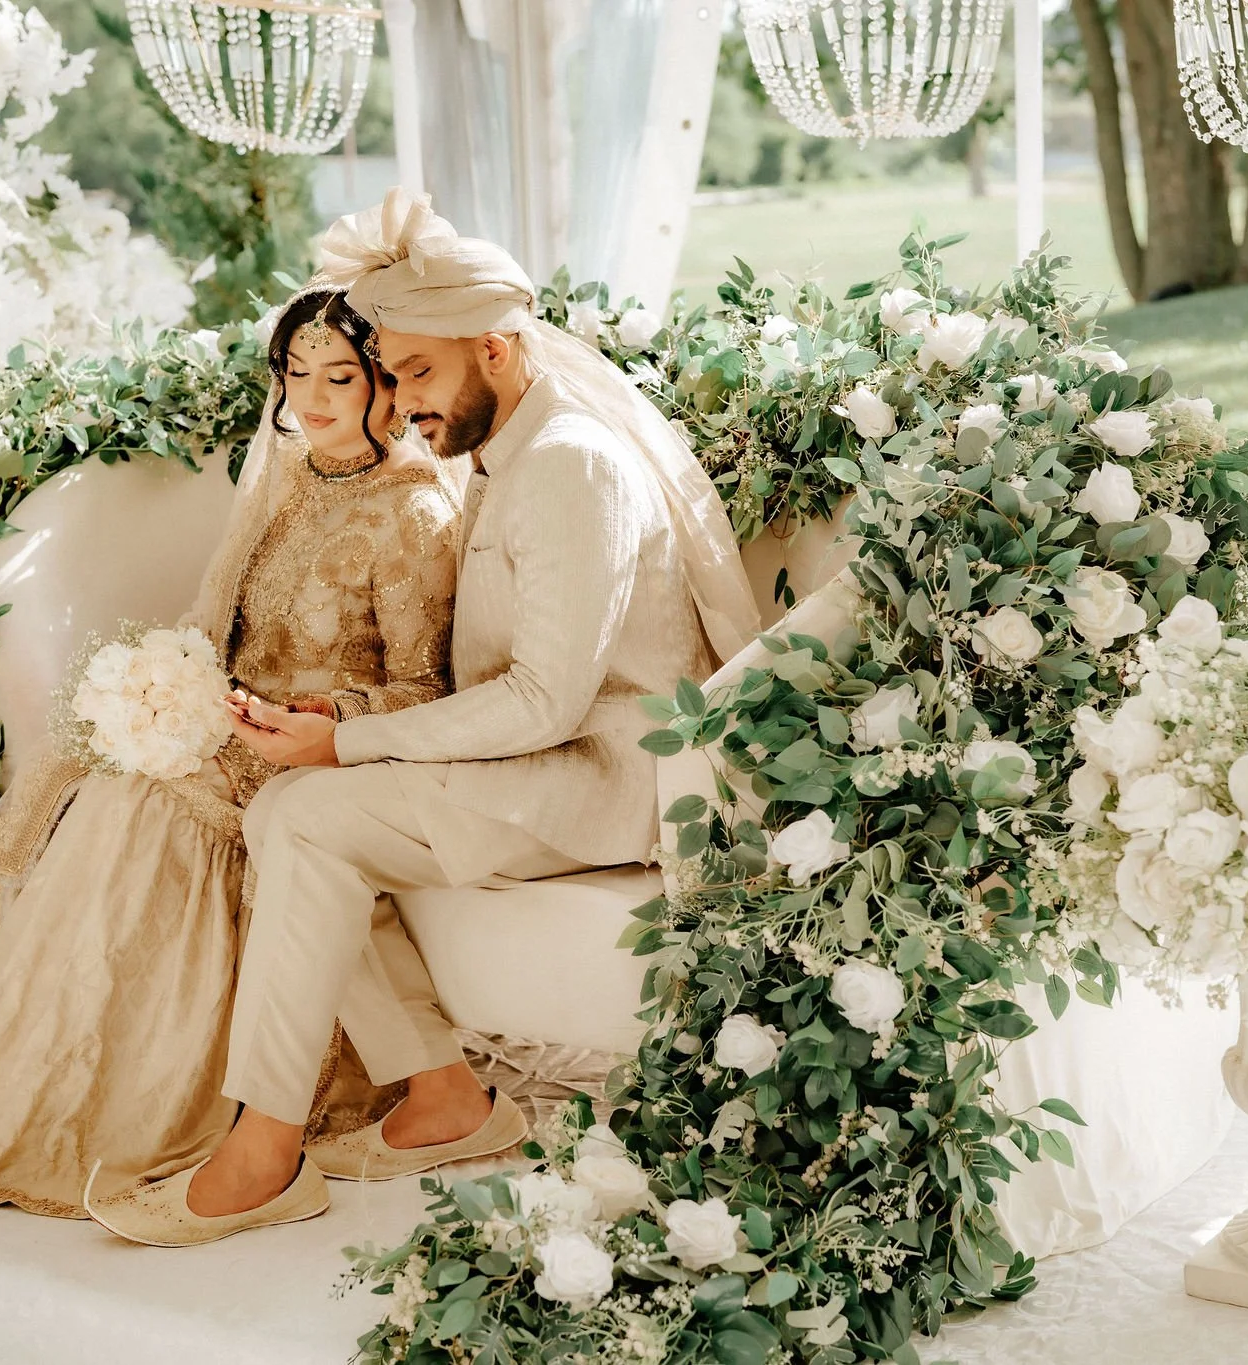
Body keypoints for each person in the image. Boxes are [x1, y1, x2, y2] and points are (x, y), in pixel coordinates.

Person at [83, 189, 760, 1246]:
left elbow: (547, 699)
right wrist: (335, 715)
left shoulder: (570, 465)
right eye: (389, 375)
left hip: (605, 780)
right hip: (548, 762)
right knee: (290, 808)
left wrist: (345, 740)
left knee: (304, 813)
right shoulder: (512, 453)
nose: (395, 404)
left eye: (413, 373)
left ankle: (264, 1150)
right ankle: (445, 1099)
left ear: (494, 350)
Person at [0, 285, 463, 1218]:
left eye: (341, 376)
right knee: (113, 774)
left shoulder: (413, 516)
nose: (314, 399)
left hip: (321, 749)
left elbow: (425, 690)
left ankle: (131, 1118)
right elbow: (214, 620)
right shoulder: (287, 475)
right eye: (296, 375)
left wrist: (313, 714)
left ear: (386, 381)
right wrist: (167, 686)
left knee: (141, 798)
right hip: (231, 719)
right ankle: (40, 1089)